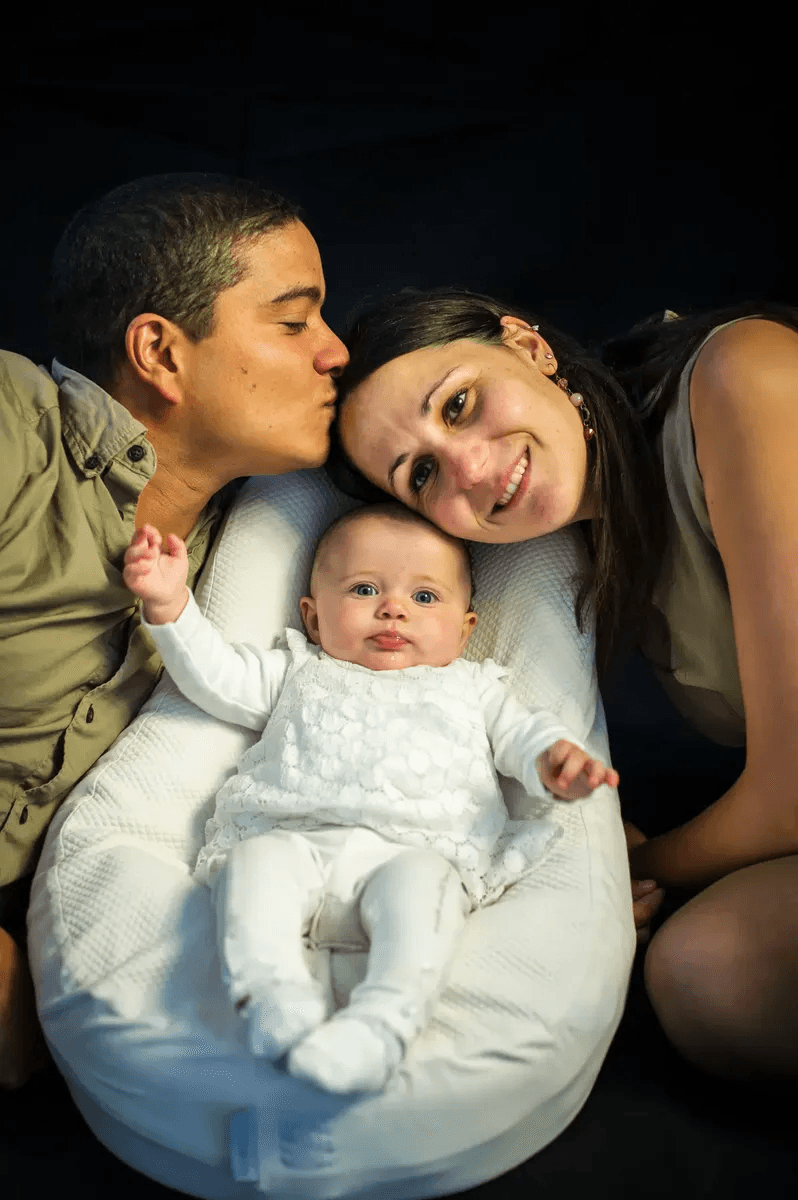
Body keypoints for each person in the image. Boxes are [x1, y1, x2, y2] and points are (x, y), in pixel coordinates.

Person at [328, 287, 798, 1084]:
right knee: (709, 975)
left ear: (529, 346)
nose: (472, 469)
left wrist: (627, 864)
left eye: (461, 403)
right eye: (423, 474)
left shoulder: (736, 378)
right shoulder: (591, 540)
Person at [0, 173, 349, 1089]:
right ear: (160, 351)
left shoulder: (251, 564)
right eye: (293, 319)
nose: (334, 352)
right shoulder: (13, 429)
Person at [122, 502, 620, 1094]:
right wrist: (170, 606)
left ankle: (383, 1022)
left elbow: (524, 735)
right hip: (292, 836)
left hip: (415, 849)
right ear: (312, 618)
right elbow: (216, 676)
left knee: (423, 896)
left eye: (426, 598)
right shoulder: (297, 670)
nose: (394, 608)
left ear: (465, 630)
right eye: (364, 589)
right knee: (252, 870)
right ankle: (272, 993)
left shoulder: (472, 688)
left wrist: (555, 761)